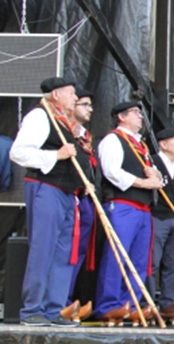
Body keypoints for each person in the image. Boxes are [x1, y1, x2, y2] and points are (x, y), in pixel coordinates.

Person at [10, 77, 88, 327]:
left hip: (66, 193)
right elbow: (18, 152)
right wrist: (57, 154)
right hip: (46, 189)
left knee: (64, 253)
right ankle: (33, 309)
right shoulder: (39, 116)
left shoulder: (63, 122)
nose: (75, 98)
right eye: (71, 93)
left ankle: (55, 309)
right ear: (55, 95)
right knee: (43, 249)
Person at [95, 101, 164, 324]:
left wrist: (154, 176)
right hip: (122, 204)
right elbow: (112, 171)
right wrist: (143, 183)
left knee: (139, 260)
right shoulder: (113, 139)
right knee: (117, 256)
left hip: (143, 208)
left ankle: (131, 303)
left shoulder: (141, 145)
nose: (140, 117)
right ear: (121, 116)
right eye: (135, 112)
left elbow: (155, 179)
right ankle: (109, 305)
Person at [61, 87, 97, 323]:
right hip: (68, 195)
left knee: (80, 251)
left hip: (86, 198)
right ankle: (60, 300)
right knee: (66, 250)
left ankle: (70, 299)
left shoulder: (86, 136)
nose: (90, 109)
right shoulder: (63, 131)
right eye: (84, 104)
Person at [148, 128, 174, 323]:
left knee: (173, 263)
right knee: (152, 262)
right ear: (163, 144)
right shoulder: (152, 162)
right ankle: (147, 302)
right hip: (157, 217)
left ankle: (166, 303)